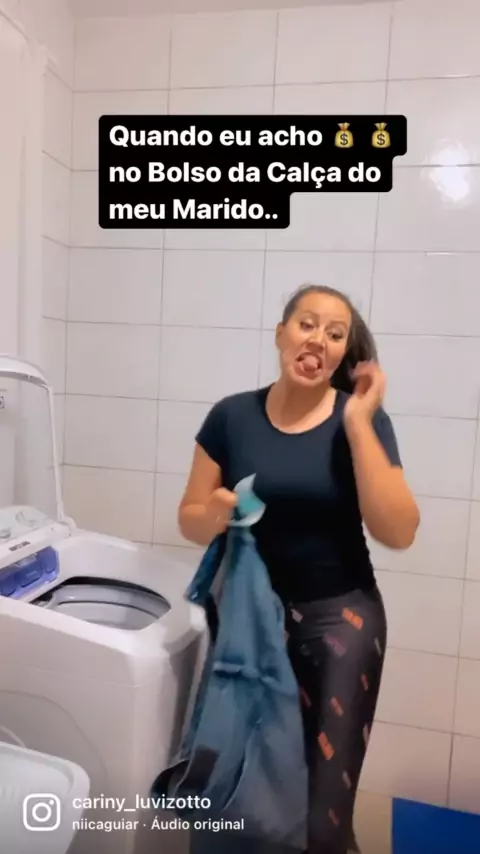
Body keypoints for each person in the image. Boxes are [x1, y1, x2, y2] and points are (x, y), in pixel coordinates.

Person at [178, 284, 420, 854]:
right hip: (249, 625)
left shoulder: (361, 421)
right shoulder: (231, 416)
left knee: (322, 813)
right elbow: (189, 519)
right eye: (307, 324)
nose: (318, 339)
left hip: (340, 623)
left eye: (335, 334)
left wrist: (359, 421)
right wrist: (214, 510)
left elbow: (399, 532)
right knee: (240, 787)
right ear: (280, 334)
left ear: (342, 353)